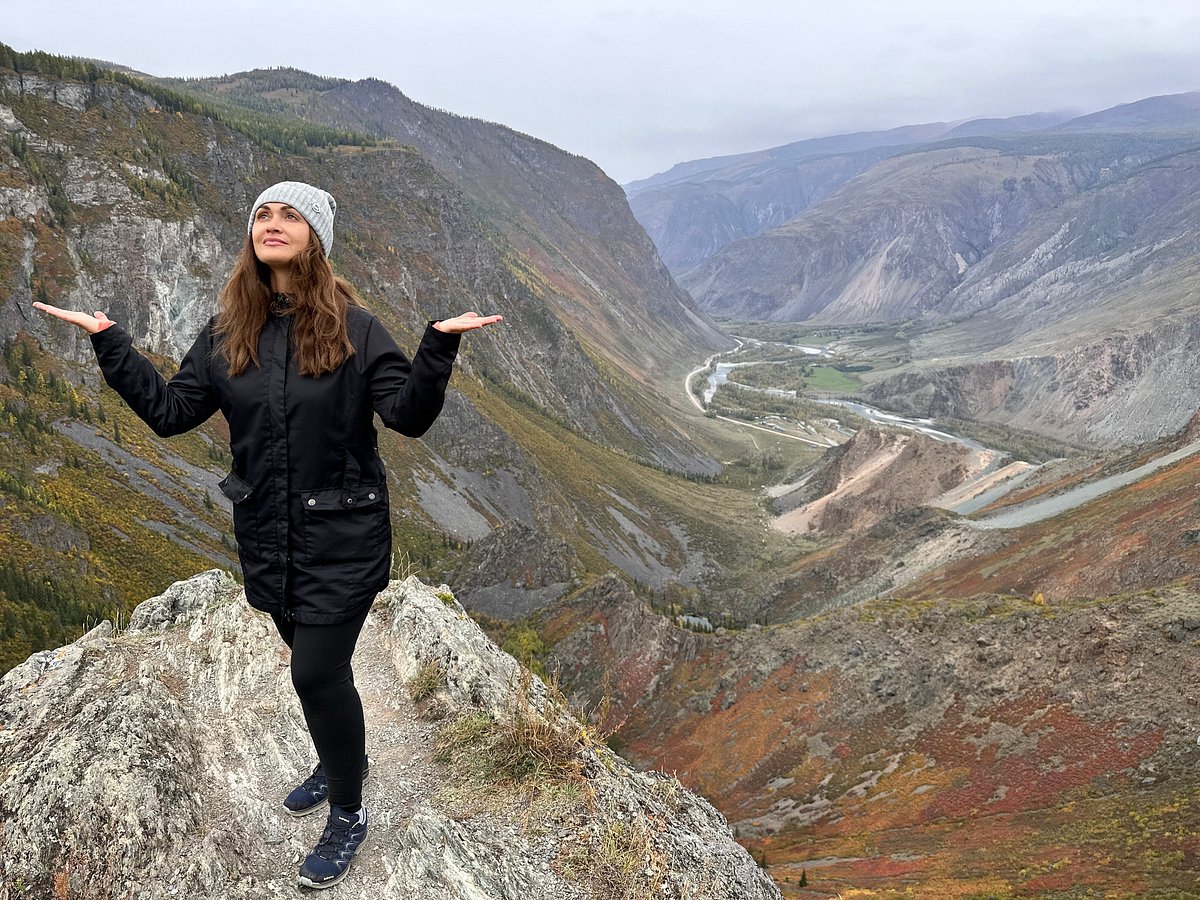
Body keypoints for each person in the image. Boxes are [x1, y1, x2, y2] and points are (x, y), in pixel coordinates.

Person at [34, 180, 502, 889]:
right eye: (262, 213)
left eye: (290, 215)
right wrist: (111, 344)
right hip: (268, 533)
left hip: (343, 535)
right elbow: (170, 411)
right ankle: (339, 754)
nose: (273, 224)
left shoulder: (355, 326)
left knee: (314, 671)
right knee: (317, 670)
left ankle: (348, 808)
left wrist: (436, 348)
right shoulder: (228, 333)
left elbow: (406, 417)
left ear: (316, 237)